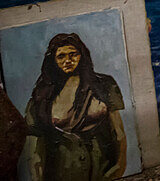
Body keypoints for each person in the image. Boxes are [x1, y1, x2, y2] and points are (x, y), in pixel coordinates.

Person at [25, 33, 127, 180]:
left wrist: (119, 166)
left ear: (82, 56)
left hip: (102, 168)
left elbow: (118, 131)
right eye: (61, 56)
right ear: (53, 60)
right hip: (63, 170)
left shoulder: (103, 84)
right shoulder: (42, 95)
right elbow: (35, 146)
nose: (68, 60)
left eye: (73, 54)